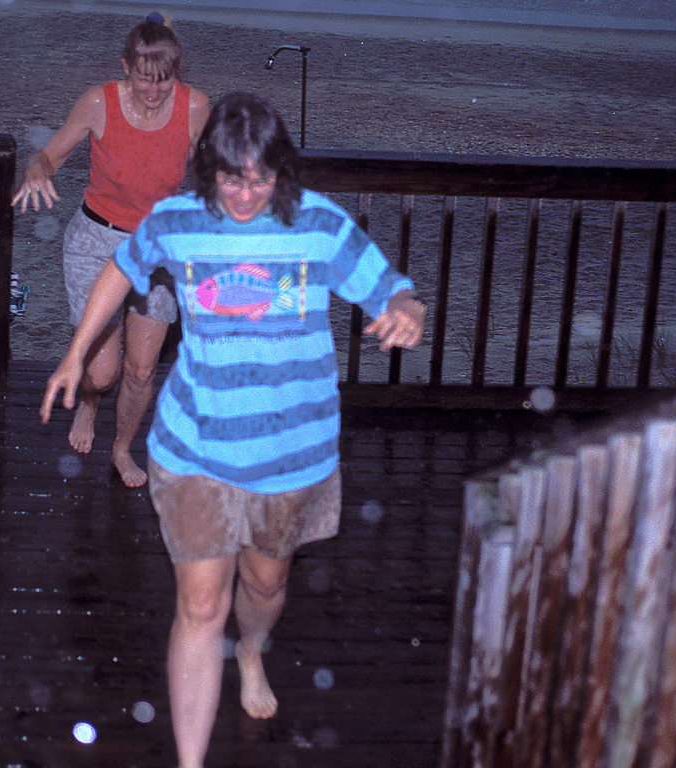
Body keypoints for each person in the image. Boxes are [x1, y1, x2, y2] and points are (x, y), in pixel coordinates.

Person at [40, 91, 426, 768]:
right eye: (230, 178)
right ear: (207, 171)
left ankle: (251, 654)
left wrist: (406, 310)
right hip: (196, 447)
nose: (246, 194)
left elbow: (391, 287)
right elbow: (118, 269)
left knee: (267, 586)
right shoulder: (177, 222)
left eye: (260, 178)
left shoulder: (317, 225)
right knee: (199, 605)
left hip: (291, 453)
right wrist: (76, 352)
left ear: (280, 170)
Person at [13, 12, 211, 487]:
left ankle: (122, 448)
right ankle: (90, 400)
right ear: (126, 67)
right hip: (96, 241)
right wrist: (36, 171)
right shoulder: (98, 103)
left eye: (164, 82)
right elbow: (48, 154)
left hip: (159, 249)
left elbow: (213, 174)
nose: (153, 92)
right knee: (102, 372)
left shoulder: (196, 107)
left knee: (142, 370)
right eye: (144, 80)